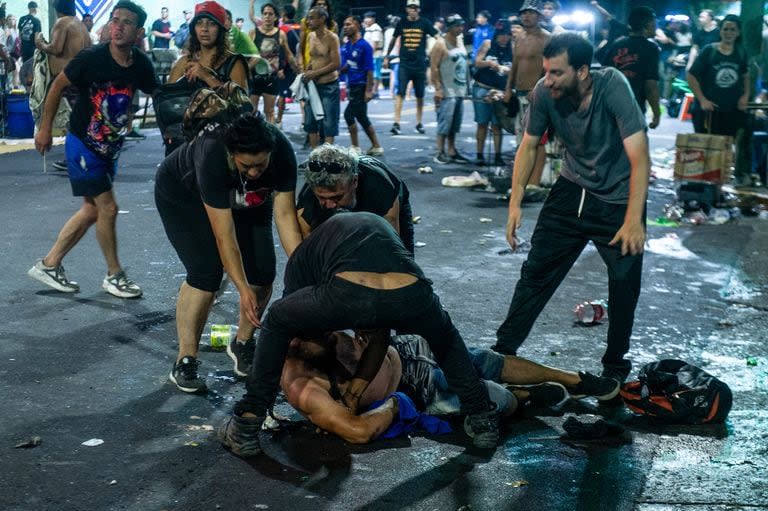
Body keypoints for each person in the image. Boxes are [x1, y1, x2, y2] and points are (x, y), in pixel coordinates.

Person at [218, 211, 502, 457]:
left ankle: (247, 423)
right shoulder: (372, 230)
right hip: (412, 291)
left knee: (278, 319)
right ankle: (482, 418)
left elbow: (292, 326)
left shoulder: (305, 261)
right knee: (446, 339)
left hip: (351, 292)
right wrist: (354, 393)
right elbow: (379, 330)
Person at [495, 33, 650, 387]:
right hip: (571, 191)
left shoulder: (612, 85)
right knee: (536, 272)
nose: (547, 80)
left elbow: (640, 157)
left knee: (625, 284)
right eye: (546, 71)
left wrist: (633, 220)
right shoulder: (543, 93)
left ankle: (614, 368)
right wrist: (515, 201)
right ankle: (504, 350)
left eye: (556, 73)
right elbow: (529, 146)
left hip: (618, 198)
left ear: (582, 71)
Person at [156, 112, 302, 393]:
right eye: (246, 165)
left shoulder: (282, 151)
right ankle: (185, 360)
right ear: (232, 153)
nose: (254, 172)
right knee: (205, 274)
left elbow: (285, 216)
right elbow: (225, 237)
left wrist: (302, 267)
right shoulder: (212, 155)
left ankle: (243, 344)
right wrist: (240, 287)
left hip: (245, 199)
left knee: (262, 274)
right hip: (184, 196)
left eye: (260, 165)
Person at [29, 0, 159, 299]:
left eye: (126, 22)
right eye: (115, 19)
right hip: (83, 143)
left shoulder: (140, 63)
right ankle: (115, 275)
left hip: (109, 147)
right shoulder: (92, 58)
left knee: (91, 211)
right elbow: (56, 85)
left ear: (138, 32)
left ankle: (50, 264)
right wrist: (45, 129)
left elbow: (158, 92)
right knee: (108, 208)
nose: (118, 26)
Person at [280, 332, 621, 443]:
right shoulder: (303, 388)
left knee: (486, 359)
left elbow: (377, 315)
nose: (322, 332)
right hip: (417, 388)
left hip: (409, 348)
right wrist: (396, 405)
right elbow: (356, 432)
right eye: (311, 336)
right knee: (495, 398)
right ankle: (524, 397)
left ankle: (575, 380)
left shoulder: (321, 322)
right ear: (294, 345)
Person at [295, 144, 414, 253]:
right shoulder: (308, 198)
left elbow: (392, 250)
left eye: (337, 197)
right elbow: (309, 254)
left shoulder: (381, 188)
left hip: (382, 202)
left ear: (354, 181)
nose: (329, 204)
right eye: (321, 197)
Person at [165, 1, 248, 153]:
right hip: (183, 145)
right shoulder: (183, 63)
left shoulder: (233, 63)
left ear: (221, 29)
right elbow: (168, 106)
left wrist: (206, 76)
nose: (204, 29)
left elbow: (242, 108)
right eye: (199, 23)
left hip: (220, 145)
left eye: (211, 24)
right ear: (194, 28)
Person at [687, 15, 748, 184]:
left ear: (738, 32)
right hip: (709, 111)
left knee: (726, 148)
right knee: (706, 149)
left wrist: (745, 96)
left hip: (731, 110)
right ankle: (703, 186)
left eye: (732, 29)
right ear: (720, 31)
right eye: (725, 29)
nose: (729, 32)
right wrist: (702, 99)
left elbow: (746, 75)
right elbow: (691, 76)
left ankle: (719, 185)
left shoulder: (741, 52)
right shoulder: (709, 50)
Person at [504, 1, 550, 186]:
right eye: (523, 13)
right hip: (520, 94)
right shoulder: (519, 37)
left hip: (538, 96)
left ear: (538, 16)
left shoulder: (547, 38)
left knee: (537, 140)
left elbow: (550, 67)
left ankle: (535, 182)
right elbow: (515, 65)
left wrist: (539, 88)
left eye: (530, 13)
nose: (526, 16)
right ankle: (523, 179)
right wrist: (508, 88)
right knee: (522, 141)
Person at [600, 6, 661, 129]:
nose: (656, 27)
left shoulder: (616, 45)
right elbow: (650, 85)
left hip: (609, 107)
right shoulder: (651, 48)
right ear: (647, 24)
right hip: (634, 109)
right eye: (655, 23)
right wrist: (656, 112)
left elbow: (603, 74)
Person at [384, 0, 437, 136]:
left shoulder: (424, 23)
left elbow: (437, 36)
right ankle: (396, 123)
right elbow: (394, 39)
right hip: (405, 64)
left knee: (420, 95)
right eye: (410, 7)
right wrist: (387, 56)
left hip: (420, 65)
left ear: (419, 9)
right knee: (400, 92)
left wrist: (442, 50)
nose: (413, 10)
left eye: (415, 7)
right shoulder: (402, 22)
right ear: (407, 9)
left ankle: (419, 123)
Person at [472, 19, 513, 166]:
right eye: (500, 34)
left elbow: (515, 71)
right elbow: (476, 62)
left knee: (497, 124)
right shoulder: (488, 44)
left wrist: (506, 71)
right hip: (482, 87)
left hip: (500, 90)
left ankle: (497, 155)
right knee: (482, 123)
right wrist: (490, 63)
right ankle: (479, 155)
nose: (503, 38)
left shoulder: (513, 48)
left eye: (506, 34)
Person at [248, 1, 297, 124]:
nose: (267, 17)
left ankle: (271, 139)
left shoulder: (280, 34)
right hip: (254, 78)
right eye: (265, 14)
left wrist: (299, 70)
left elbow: (289, 55)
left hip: (271, 79)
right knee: (251, 112)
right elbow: (245, 56)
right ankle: (252, 139)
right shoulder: (253, 33)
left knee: (269, 111)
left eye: (270, 14)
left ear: (275, 17)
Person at [340, 15, 383, 155]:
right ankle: (376, 146)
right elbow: (346, 65)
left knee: (348, 115)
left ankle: (355, 147)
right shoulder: (347, 45)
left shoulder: (365, 46)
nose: (345, 27)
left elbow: (369, 70)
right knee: (362, 118)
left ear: (357, 25)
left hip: (361, 85)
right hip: (351, 85)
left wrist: (369, 91)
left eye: (348, 24)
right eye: (344, 25)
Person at [431, 14, 470, 164]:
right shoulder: (440, 43)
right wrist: (438, 89)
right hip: (447, 91)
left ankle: (452, 150)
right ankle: (439, 152)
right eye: (457, 26)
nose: (460, 28)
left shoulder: (460, 40)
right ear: (449, 27)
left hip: (459, 89)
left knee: (455, 123)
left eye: (461, 25)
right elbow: (434, 67)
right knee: (444, 123)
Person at [302, 6, 340, 148]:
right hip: (313, 85)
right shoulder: (310, 36)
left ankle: (328, 156)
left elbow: (336, 63)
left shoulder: (332, 38)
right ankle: (314, 156)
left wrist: (315, 74)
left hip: (329, 84)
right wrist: (308, 70)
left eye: (312, 18)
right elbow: (313, 58)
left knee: (329, 122)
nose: (308, 21)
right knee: (310, 122)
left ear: (322, 19)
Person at [34, 0, 90, 78]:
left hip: (66, 77)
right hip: (82, 75)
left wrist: (40, 44)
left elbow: (55, 49)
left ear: (58, 10)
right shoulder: (82, 25)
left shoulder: (62, 22)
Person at [275, 4, 300, 129]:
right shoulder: (301, 27)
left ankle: (279, 121)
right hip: (299, 66)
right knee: (302, 95)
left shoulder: (283, 29)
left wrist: (281, 68)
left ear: (283, 15)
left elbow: (283, 50)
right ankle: (304, 121)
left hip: (287, 66)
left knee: (282, 95)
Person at [362, 11, 383, 97]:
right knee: (371, 73)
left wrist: (369, 55)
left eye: (368, 18)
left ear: (373, 19)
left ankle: (374, 91)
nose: (366, 20)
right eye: (365, 18)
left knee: (375, 74)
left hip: (375, 55)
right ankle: (372, 90)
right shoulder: (369, 29)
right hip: (369, 55)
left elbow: (375, 44)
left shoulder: (375, 29)